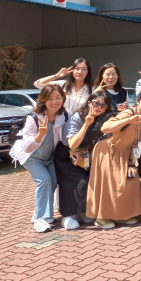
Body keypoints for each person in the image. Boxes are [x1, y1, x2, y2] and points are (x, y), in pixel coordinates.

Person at [87, 87, 141, 229]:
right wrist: (128, 120)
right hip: (108, 150)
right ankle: (101, 217)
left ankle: (122, 215)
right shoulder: (129, 112)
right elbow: (105, 127)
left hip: (125, 153)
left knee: (128, 183)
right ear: (138, 101)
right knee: (109, 185)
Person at [9, 84, 70, 233]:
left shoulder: (64, 115)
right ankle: (40, 219)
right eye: (50, 99)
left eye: (58, 97)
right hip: (31, 157)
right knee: (44, 179)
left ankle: (40, 213)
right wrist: (40, 134)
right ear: (43, 100)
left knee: (53, 181)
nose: (54, 101)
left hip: (48, 157)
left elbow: (66, 138)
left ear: (63, 98)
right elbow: (27, 148)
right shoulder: (34, 118)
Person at [57, 90, 114, 230]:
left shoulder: (102, 118)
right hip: (65, 156)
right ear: (89, 102)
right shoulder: (78, 117)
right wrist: (86, 124)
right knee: (77, 182)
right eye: (96, 103)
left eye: (103, 105)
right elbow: (72, 144)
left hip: (83, 154)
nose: (99, 107)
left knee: (89, 180)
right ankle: (68, 215)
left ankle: (83, 212)